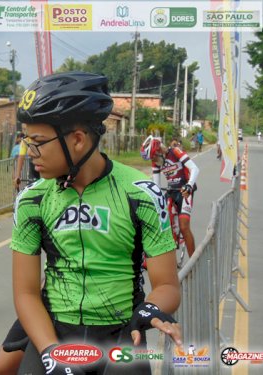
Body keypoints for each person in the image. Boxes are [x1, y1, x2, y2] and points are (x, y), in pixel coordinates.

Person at [10, 72, 181, 375]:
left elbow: (167, 285)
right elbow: (25, 293)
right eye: (26, 141)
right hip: (54, 331)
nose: (30, 153)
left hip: (119, 334)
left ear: (77, 139)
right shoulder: (32, 200)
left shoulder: (141, 194)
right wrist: (51, 351)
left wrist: (147, 310)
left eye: (37, 142)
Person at [140, 135, 200, 258]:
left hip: (185, 190)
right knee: (160, 220)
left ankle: (194, 261)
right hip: (171, 190)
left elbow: (195, 168)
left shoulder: (176, 152)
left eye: (154, 157)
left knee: (184, 227)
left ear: (159, 151)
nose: (154, 161)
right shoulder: (156, 162)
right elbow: (156, 185)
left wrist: (189, 185)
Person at [13, 124, 40, 190]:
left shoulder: (39, 137)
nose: (25, 131)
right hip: (34, 166)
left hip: (45, 164)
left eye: (26, 129)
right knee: (31, 188)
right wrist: (17, 176)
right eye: (23, 129)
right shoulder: (25, 140)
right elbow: (21, 157)